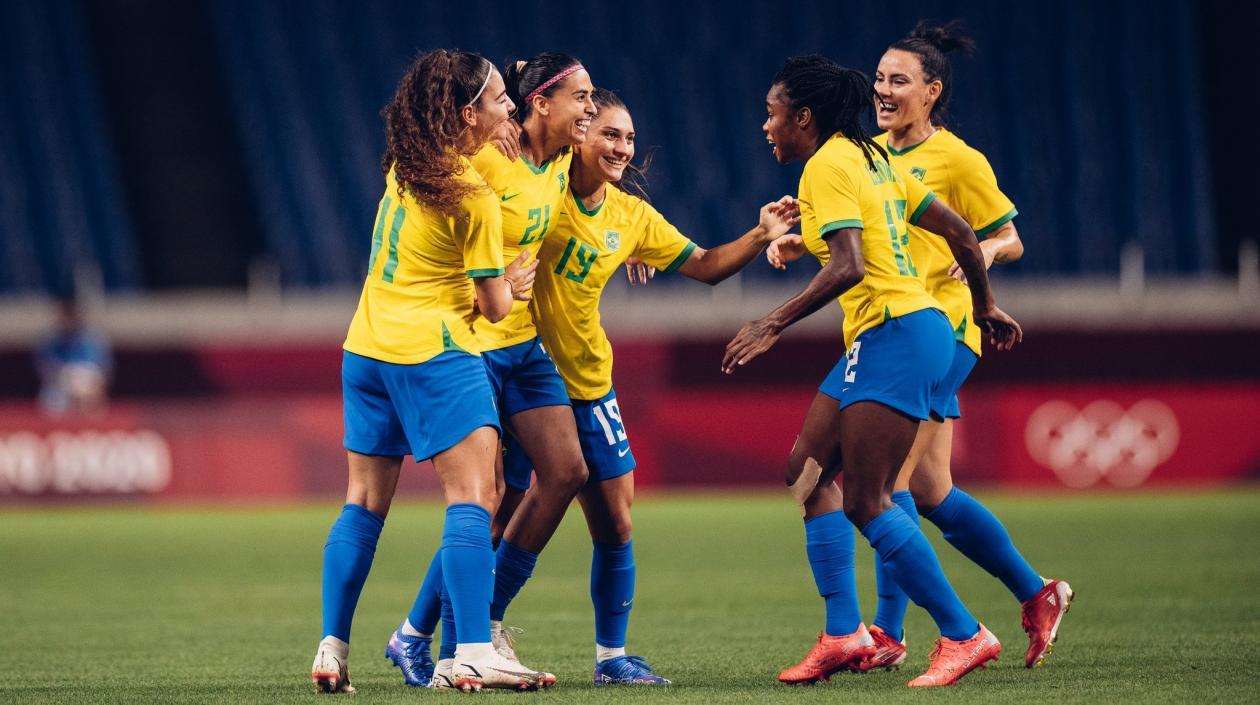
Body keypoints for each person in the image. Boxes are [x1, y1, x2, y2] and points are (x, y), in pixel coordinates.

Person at [767, 22, 1073, 672]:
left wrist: (986, 259)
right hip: (897, 328)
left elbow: (1006, 235)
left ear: (931, 92)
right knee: (932, 491)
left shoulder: (958, 159)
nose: (883, 90)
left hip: (944, 324)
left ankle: (890, 629)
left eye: (898, 80)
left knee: (883, 483)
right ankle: (1035, 591)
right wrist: (806, 241)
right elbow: (860, 236)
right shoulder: (868, 153)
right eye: (878, 78)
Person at [725, 54, 1021, 688]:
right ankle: (843, 633)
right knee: (806, 475)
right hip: (902, 332)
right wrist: (986, 305)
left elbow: (850, 265)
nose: (766, 126)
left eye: (772, 114)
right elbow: (963, 231)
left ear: (802, 117)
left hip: (897, 334)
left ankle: (965, 634)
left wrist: (770, 323)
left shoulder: (827, 164)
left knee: (869, 498)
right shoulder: (872, 157)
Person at [494, 87, 799, 685]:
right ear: (578, 133)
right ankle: (477, 631)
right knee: (496, 508)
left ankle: (611, 657)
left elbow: (707, 265)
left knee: (616, 522)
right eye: (609, 133)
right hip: (528, 373)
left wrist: (761, 233)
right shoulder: (539, 184)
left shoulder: (629, 218)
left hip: (590, 378)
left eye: (630, 138)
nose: (622, 147)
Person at [311, 49, 542, 694]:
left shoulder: (405, 168)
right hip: (434, 352)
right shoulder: (474, 199)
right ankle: (469, 650)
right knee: (475, 496)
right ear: (468, 114)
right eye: (500, 99)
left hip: (365, 348)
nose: (511, 108)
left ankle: (332, 647)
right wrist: (517, 285)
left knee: (361, 504)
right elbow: (494, 309)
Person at [386, 52, 595, 690]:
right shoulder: (484, 157)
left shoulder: (559, 162)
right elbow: (432, 180)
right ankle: (449, 639)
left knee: (565, 472)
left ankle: (465, 626)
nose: (589, 108)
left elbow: (598, 195)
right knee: (486, 499)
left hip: (525, 345)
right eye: (581, 97)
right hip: (476, 342)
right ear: (539, 104)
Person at [35, 294, 111, 416]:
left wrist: (83, 388)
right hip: (59, 387)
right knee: (51, 399)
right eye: (66, 314)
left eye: (72, 314)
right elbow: (45, 370)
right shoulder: (51, 339)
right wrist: (67, 381)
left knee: (91, 400)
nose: (69, 319)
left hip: (88, 389)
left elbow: (102, 373)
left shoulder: (92, 339)